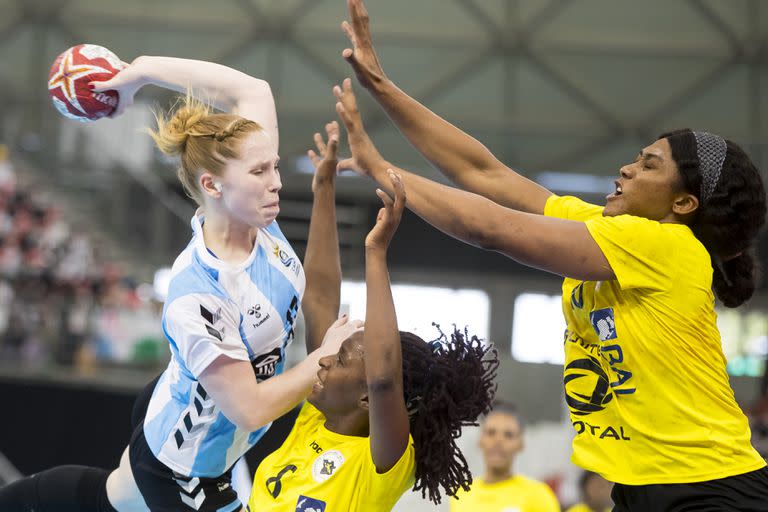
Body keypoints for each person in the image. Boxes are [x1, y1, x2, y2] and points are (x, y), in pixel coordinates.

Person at [332, 1, 768, 510]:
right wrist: (382, 86)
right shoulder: (600, 227)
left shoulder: (665, 244)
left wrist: (384, 170)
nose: (627, 169)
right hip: (645, 486)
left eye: (649, 165)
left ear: (684, 204)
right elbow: (485, 174)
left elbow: (488, 227)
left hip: (711, 488)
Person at [0, 58, 356, 512]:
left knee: (112, 499)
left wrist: (143, 72)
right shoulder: (200, 292)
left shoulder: (256, 220)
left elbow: (254, 88)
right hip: (187, 467)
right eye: (260, 172)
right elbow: (249, 408)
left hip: (189, 411)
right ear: (212, 185)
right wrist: (325, 357)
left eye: (274, 167)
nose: (277, 184)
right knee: (116, 497)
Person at [247, 155, 499, 509]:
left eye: (342, 357)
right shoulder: (318, 414)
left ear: (367, 399)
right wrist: (324, 189)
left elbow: (384, 380)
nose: (325, 360)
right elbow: (318, 297)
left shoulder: (383, 461)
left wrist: (375, 251)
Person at [451, 402, 559, 512]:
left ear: (520, 444)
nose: (498, 441)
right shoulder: (461, 494)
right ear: (480, 440)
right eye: (491, 432)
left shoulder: (539, 495)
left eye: (508, 434)